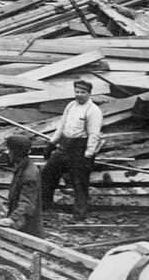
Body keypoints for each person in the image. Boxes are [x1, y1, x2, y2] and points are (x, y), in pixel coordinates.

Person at [41, 79, 103, 216]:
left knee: (79, 182)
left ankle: (80, 212)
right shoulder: (71, 106)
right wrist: (51, 144)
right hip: (64, 145)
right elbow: (61, 126)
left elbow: (94, 135)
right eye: (77, 92)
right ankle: (45, 206)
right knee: (47, 174)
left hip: (79, 148)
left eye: (83, 92)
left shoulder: (93, 110)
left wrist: (88, 155)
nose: (79, 94)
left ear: (89, 94)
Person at [0, 133, 43, 236]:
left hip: (27, 230)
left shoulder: (29, 174)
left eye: (9, 150)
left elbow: (27, 204)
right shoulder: (23, 168)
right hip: (22, 224)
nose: (7, 153)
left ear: (15, 152)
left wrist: (11, 220)